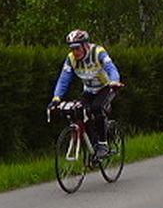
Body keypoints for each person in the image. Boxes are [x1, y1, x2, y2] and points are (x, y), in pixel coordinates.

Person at [49, 29, 122, 161]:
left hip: (106, 87)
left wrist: (115, 81)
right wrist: (56, 97)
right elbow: (64, 79)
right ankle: (93, 145)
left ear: (85, 45)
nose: (75, 52)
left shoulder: (97, 52)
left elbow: (111, 68)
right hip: (89, 90)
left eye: (77, 48)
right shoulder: (71, 59)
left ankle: (103, 144)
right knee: (79, 111)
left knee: (97, 108)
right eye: (72, 49)